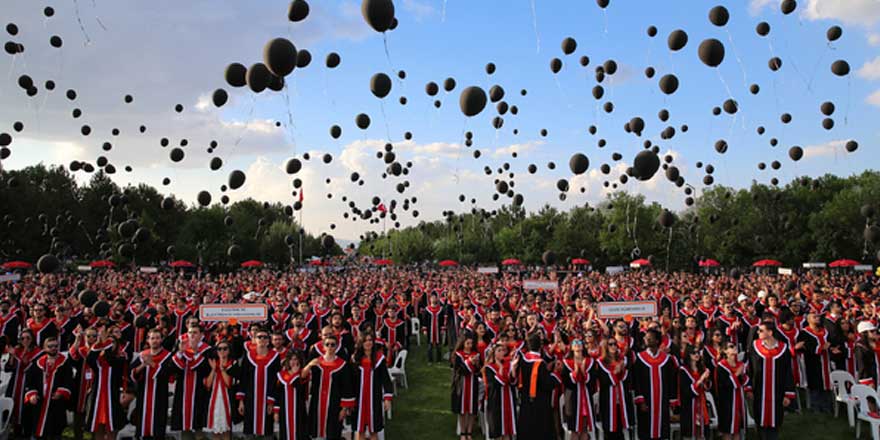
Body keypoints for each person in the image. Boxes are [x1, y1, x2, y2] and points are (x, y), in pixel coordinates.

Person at [748, 321, 796, 440]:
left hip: (777, 390)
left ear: (770, 332)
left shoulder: (783, 349)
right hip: (759, 390)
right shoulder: (754, 346)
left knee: (775, 418)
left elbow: (787, 372)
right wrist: (748, 387)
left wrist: (788, 394)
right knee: (760, 417)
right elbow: (749, 368)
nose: (757, 332)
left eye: (761, 330)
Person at [306, 333, 355, 440]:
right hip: (317, 403)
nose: (330, 347)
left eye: (333, 345)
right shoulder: (316, 363)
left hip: (334, 405)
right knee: (316, 433)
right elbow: (303, 377)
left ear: (337, 347)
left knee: (332, 433)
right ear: (323, 346)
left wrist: (344, 408)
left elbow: (347, 387)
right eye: (327, 344)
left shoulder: (343, 365)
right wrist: (309, 365)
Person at [129, 329, 175, 440]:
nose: (155, 341)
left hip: (159, 396)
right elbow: (131, 374)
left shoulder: (168, 356)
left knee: (157, 428)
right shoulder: (142, 355)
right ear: (148, 340)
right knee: (143, 426)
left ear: (162, 339)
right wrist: (143, 365)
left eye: (157, 338)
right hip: (143, 395)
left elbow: (168, 374)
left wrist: (153, 364)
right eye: (152, 338)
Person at [633, 328, 678, 440]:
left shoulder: (666, 359)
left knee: (662, 430)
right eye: (646, 338)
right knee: (646, 429)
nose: (647, 339)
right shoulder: (640, 358)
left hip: (662, 401)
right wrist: (640, 400)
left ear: (657, 340)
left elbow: (671, 381)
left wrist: (672, 400)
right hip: (646, 401)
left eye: (650, 337)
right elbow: (636, 381)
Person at [24, 336, 72, 440]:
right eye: (50, 346)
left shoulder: (64, 362)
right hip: (40, 401)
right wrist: (32, 394)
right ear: (45, 348)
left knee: (55, 431)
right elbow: (30, 381)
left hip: (55, 401)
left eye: (56, 346)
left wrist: (61, 392)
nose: (54, 348)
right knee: (38, 429)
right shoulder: (38, 363)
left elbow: (68, 380)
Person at [237, 326, 281, 440]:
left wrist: (272, 401)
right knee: (249, 431)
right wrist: (241, 401)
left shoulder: (275, 357)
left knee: (267, 431)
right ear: (254, 339)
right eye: (259, 337)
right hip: (250, 399)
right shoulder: (248, 356)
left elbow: (276, 381)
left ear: (268, 340)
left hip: (267, 399)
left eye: (265, 337)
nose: (262, 339)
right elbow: (243, 379)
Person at [515, 332, 560, 440]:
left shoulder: (522, 360)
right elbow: (547, 384)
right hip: (540, 402)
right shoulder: (539, 363)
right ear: (540, 346)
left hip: (525, 400)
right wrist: (556, 373)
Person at [86, 324, 127, 440]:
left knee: (112, 427)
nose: (110, 344)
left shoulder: (120, 358)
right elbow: (89, 360)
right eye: (109, 342)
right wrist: (99, 343)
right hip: (97, 396)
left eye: (113, 342)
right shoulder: (98, 360)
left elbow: (111, 360)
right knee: (98, 426)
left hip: (112, 396)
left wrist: (106, 343)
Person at [351, 332, 394, 440]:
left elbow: (386, 380)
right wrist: (348, 402)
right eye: (365, 340)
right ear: (361, 343)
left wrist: (387, 399)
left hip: (374, 399)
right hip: (359, 400)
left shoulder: (379, 359)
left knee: (373, 431)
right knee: (359, 431)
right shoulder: (355, 359)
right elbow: (350, 382)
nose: (368, 343)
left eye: (370, 340)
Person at [4, 327, 41, 438]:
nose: (25, 340)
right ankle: (15, 432)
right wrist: (11, 356)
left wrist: (19, 357)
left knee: (26, 412)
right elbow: (8, 368)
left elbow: (33, 369)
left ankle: (28, 434)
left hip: (28, 384)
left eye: (28, 338)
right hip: (15, 384)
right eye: (22, 338)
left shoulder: (38, 352)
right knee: (13, 409)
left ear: (32, 339)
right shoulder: (17, 349)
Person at [596, 338, 634, 440]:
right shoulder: (600, 362)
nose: (613, 346)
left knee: (620, 431)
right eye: (610, 344)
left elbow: (627, 380)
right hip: (608, 401)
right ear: (605, 347)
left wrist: (621, 368)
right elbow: (605, 381)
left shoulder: (622, 361)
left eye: (615, 344)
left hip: (621, 401)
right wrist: (616, 372)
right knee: (610, 430)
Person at [798, 312, 834, 413]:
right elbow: (806, 347)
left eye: (818, 317)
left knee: (827, 384)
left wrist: (831, 347)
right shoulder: (804, 333)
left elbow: (831, 342)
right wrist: (821, 348)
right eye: (815, 317)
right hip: (813, 362)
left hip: (826, 362)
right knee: (815, 384)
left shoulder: (825, 331)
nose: (818, 318)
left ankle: (827, 406)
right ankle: (816, 407)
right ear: (809, 320)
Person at [562, 338, 596, 440]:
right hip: (572, 398)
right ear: (571, 347)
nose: (577, 344)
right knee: (574, 430)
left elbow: (593, 381)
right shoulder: (566, 363)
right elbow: (566, 382)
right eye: (575, 343)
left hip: (585, 399)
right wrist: (575, 373)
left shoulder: (590, 362)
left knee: (584, 429)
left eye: (580, 342)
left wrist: (584, 373)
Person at [714, 342, 748, 440]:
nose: (735, 348)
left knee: (737, 429)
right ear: (725, 351)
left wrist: (742, 375)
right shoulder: (721, 366)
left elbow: (745, 382)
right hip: (727, 403)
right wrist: (737, 373)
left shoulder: (740, 364)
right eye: (731, 347)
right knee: (728, 430)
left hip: (739, 401)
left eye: (735, 346)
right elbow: (725, 385)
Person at [205, 340, 238, 440]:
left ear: (229, 350)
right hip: (214, 400)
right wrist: (213, 369)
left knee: (226, 430)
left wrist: (222, 369)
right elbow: (207, 385)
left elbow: (229, 383)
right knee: (216, 431)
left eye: (225, 348)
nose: (222, 351)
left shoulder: (233, 363)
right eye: (219, 349)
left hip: (227, 400)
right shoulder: (212, 363)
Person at [273, 350, 309, 440]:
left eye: (296, 359)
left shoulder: (303, 374)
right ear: (288, 361)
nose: (294, 362)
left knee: (300, 432)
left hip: (299, 409)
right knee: (285, 433)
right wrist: (276, 411)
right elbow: (277, 394)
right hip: (284, 410)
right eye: (291, 359)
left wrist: (296, 374)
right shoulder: (281, 375)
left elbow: (300, 389)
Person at [452, 335, 481, 440]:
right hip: (462, 384)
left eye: (471, 343)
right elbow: (459, 370)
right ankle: (463, 432)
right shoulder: (458, 355)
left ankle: (469, 431)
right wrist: (469, 362)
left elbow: (479, 371)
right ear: (463, 343)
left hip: (473, 384)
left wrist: (477, 365)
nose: (469, 346)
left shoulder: (475, 354)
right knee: (463, 409)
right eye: (467, 343)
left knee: (472, 409)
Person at [422, 294, 446, 363]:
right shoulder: (427, 309)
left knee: (439, 346)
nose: (433, 299)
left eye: (435, 298)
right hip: (430, 330)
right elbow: (424, 320)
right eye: (432, 298)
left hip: (438, 330)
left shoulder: (441, 309)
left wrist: (442, 329)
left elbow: (442, 320)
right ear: (430, 299)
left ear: (437, 299)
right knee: (430, 346)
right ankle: (430, 360)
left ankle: (439, 359)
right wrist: (424, 329)